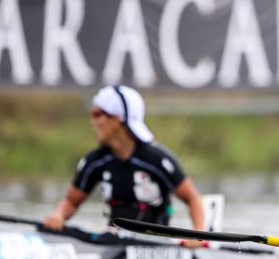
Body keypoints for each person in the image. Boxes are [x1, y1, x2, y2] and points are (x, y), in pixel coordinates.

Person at [43, 85, 206, 241]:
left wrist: (198, 234)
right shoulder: (95, 162)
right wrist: (58, 216)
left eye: (97, 114)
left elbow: (193, 199)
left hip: (155, 242)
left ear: (116, 120)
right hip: (114, 239)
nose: (93, 121)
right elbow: (71, 201)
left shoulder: (157, 160)